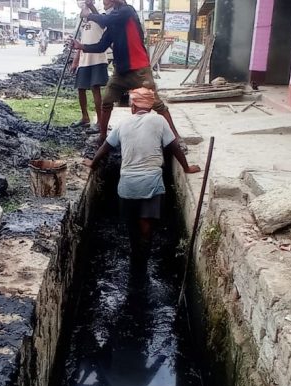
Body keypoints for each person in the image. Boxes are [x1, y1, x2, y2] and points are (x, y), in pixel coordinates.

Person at [84, 88, 201, 275]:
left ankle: (134, 257)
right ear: (150, 106)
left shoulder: (123, 124)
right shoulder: (159, 121)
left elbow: (105, 147)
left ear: (133, 105)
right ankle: (143, 260)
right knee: (146, 225)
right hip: (152, 183)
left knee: (131, 226)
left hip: (127, 185)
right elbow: (174, 147)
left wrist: (92, 164)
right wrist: (187, 168)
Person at [73, 0, 182, 145]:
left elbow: (105, 19)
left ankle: (176, 138)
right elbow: (101, 46)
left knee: (157, 104)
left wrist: (90, 14)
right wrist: (81, 46)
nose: (104, 1)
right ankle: (103, 137)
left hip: (139, 70)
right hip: (120, 72)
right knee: (106, 102)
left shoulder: (127, 11)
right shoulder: (113, 22)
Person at [70, 1, 108, 133]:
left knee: (95, 88)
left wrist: (91, 7)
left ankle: (100, 121)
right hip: (84, 59)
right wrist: (75, 61)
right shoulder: (80, 17)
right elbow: (80, 41)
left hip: (97, 56)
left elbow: (103, 23)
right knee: (81, 88)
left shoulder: (99, 9)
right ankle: (85, 117)